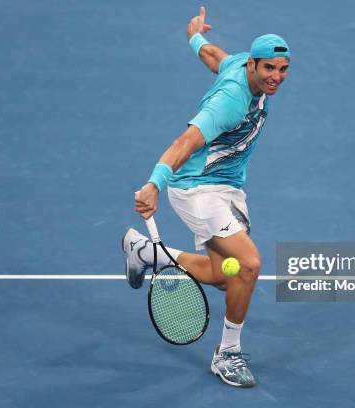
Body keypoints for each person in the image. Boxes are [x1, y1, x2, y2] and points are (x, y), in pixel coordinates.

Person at [122, 6, 290, 388]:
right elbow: (186, 142)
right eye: (270, 69)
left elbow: (214, 56)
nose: (276, 77)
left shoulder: (237, 65)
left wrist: (195, 36)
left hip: (227, 185)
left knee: (222, 276)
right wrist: (154, 183)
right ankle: (227, 354)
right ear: (253, 64)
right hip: (197, 187)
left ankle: (143, 251)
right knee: (248, 265)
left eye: (282, 69)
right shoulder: (230, 101)